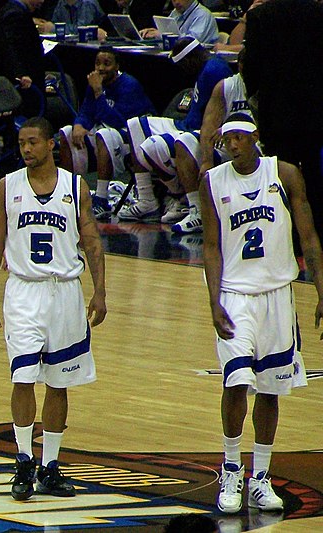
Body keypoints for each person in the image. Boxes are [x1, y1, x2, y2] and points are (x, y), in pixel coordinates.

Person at [199, 116, 323, 514]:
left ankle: (261, 476)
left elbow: (308, 238)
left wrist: (322, 292)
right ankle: (232, 468)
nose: (232, 145)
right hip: (236, 295)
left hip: (277, 296)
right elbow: (212, 246)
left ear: (254, 138)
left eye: (238, 138)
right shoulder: (213, 182)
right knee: (236, 382)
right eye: (226, 139)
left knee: (270, 390)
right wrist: (213, 300)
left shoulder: (283, 174)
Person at [0, 116, 106, 501]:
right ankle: (22, 461)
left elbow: (92, 240)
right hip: (24, 292)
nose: (26, 149)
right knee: (22, 377)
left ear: (51, 143)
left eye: (33, 142)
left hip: (66, 292)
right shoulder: (7, 186)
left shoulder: (74, 186)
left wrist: (100, 291)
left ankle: (50, 466)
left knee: (59, 381)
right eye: (21, 143)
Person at [117, 38, 231, 222]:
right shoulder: (208, 67)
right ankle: (147, 199)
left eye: (181, 65)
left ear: (190, 59)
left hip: (197, 130)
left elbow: (209, 118)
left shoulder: (213, 71)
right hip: (186, 124)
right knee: (135, 125)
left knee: (153, 147)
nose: (182, 71)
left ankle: (181, 198)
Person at [242, 0, 323, 241]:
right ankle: (316, 232)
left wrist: (256, 95)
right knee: (315, 174)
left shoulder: (261, 16)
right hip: (315, 112)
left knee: (279, 174)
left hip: (277, 112)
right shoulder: (319, 12)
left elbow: (251, 66)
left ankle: (285, 235)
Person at [56, 48, 155, 219]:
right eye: (97, 63)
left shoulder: (129, 85)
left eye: (107, 64)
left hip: (132, 137)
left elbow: (116, 121)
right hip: (108, 132)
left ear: (117, 66)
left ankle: (101, 200)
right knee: (67, 133)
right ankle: (68, 193)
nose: (101, 68)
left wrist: (98, 92)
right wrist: (79, 125)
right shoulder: (95, 84)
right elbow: (87, 111)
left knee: (104, 134)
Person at [171, 50, 252, 234]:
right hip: (228, 143)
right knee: (184, 140)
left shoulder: (272, 84)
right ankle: (196, 210)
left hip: (259, 146)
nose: (246, 68)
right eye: (243, 64)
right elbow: (208, 124)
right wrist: (206, 160)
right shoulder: (227, 86)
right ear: (238, 65)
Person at [139, 0, 219, 44]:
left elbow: (191, 42)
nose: (176, 2)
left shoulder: (203, 14)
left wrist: (162, 35)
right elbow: (167, 32)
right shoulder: (176, 12)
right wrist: (153, 32)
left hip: (198, 60)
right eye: (173, 0)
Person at [35, 0, 105, 35]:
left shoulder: (88, 3)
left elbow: (83, 30)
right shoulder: (62, 2)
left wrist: (54, 28)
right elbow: (55, 23)